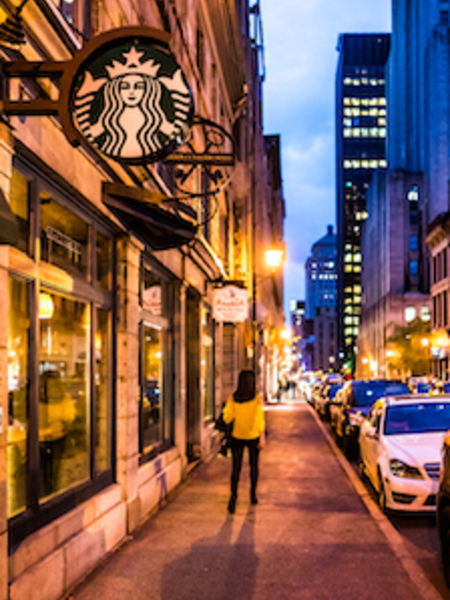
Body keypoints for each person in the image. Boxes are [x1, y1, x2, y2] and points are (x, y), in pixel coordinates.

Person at [223, 370, 265, 514]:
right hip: (253, 436)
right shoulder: (257, 398)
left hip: (237, 436)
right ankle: (252, 496)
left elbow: (227, 418)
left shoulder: (233, 398)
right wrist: (262, 437)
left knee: (236, 469)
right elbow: (260, 419)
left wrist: (227, 409)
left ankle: (233, 499)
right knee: (254, 468)